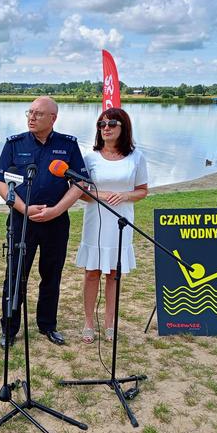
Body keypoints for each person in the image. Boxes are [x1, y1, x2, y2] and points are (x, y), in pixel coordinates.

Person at [0, 96, 88, 348]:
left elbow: (79, 183)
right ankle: (10, 328)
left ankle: (47, 325)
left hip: (56, 222)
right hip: (22, 221)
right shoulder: (14, 144)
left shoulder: (67, 145)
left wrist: (56, 210)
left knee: (51, 275)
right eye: (30, 112)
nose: (31, 117)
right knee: (15, 275)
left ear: (53, 118)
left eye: (38, 113)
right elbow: (0, 182)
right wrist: (23, 208)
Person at [75, 107, 148, 343]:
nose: (106, 128)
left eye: (111, 124)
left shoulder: (136, 157)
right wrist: (102, 195)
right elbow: (81, 194)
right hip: (96, 221)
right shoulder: (90, 158)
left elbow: (142, 191)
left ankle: (110, 324)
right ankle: (88, 323)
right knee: (92, 272)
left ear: (123, 127)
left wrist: (125, 196)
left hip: (121, 221)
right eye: (101, 125)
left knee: (114, 273)